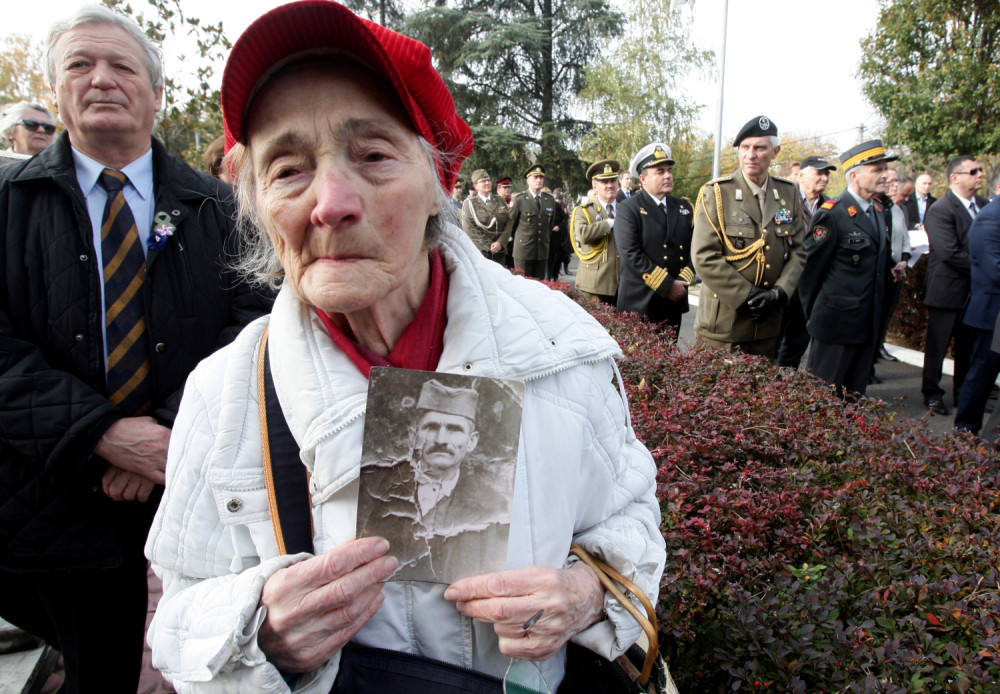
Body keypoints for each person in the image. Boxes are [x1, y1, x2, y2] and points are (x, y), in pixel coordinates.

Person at [144, 3, 665, 692]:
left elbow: (632, 521)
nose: (331, 202)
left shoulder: (559, 347)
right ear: (260, 207)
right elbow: (175, 613)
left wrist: (587, 596)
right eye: (289, 169)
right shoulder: (222, 395)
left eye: (373, 155)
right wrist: (257, 628)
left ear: (437, 183)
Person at [0, 6, 271, 693]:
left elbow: (256, 325)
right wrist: (99, 434)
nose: (101, 80)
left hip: (188, 482)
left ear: (156, 94)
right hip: (50, 489)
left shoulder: (222, 209)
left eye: (122, 66)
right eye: (80, 66)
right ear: (55, 89)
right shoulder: (8, 202)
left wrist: (165, 435)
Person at [358, 379, 510, 580]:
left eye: (455, 429)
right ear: (414, 435)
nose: (441, 440)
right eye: (431, 427)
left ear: (472, 441)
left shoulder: (493, 506)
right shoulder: (373, 489)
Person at [691, 115, 806, 358]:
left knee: (761, 393)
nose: (750, 155)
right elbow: (704, 256)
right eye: (745, 147)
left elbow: (798, 251)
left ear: (775, 152)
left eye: (759, 148)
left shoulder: (787, 193)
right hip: (724, 324)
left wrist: (780, 293)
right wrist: (747, 296)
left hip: (768, 323)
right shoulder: (718, 193)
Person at [798, 139, 895, 397]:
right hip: (835, 325)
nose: (885, 175)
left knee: (853, 401)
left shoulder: (877, 210)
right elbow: (809, 272)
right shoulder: (832, 213)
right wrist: (815, 316)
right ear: (854, 175)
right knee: (823, 401)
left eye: (885, 168)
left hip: (866, 325)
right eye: (877, 170)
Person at [921, 155, 986, 414]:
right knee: (938, 346)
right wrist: (987, 269)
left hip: (975, 291)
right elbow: (949, 252)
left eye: (980, 170)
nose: (980, 174)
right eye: (973, 171)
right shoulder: (940, 209)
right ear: (955, 178)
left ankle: (964, 393)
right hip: (947, 290)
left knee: (968, 347)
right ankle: (932, 393)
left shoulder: (982, 205)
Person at [614, 143, 695, 339]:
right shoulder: (629, 208)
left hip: (673, 301)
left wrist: (683, 281)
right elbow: (630, 254)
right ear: (643, 179)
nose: (667, 176)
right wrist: (667, 286)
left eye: (669, 170)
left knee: (668, 363)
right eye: (660, 171)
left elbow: (696, 249)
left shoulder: (683, 207)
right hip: (640, 303)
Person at [776, 155, 835, 368]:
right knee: (773, 343)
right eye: (819, 172)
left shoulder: (830, 207)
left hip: (810, 289)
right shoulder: (782, 200)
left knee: (797, 344)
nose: (825, 178)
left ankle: (786, 387)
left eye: (827, 173)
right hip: (785, 284)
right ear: (801, 174)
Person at [954, 197, 1000, 434]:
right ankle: (965, 433)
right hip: (991, 314)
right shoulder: (990, 218)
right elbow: (995, 269)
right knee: (981, 375)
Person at [872, 168, 911, 370]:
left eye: (897, 181)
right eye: (890, 180)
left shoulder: (896, 208)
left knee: (887, 314)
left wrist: (904, 260)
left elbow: (904, 237)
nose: (894, 184)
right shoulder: (873, 207)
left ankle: (880, 346)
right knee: (873, 317)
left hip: (896, 270)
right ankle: (868, 363)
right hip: (879, 271)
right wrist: (889, 266)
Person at [570, 158, 621, 305]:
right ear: (595, 186)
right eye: (605, 182)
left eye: (613, 181)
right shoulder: (584, 211)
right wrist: (610, 222)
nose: (610, 185)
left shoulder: (627, 209)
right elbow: (583, 235)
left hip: (622, 282)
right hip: (594, 284)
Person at [509, 164, 560, 279]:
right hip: (523, 251)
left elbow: (549, 224)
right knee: (523, 286)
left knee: (540, 286)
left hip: (542, 250)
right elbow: (511, 225)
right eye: (535, 177)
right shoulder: (519, 200)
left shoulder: (549, 200)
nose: (539, 180)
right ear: (528, 180)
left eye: (541, 177)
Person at [461, 168, 510, 265]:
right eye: (483, 181)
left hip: (499, 253)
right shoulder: (470, 203)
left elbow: (509, 222)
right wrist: (489, 246)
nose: (487, 183)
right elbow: (469, 229)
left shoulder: (500, 200)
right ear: (475, 186)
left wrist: (500, 243)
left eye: (488, 180)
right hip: (481, 253)